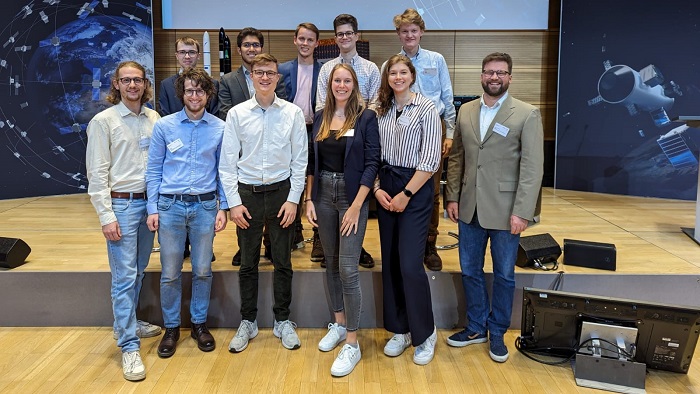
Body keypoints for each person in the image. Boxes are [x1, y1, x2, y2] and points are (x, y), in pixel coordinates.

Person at [445, 52, 544, 363]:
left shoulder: (526, 114)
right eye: (489, 72)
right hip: (469, 207)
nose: (494, 77)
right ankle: (476, 327)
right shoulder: (466, 111)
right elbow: (457, 157)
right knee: (470, 270)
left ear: (510, 77)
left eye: (501, 72)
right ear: (482, 75)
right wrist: (452, 196)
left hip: (506, 211)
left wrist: (523, 212)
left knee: (504, 275)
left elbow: (532, 167)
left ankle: (498, 329)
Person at [220, 54, 307, 353]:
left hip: (283, 192)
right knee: (248, 262)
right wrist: (233, 203)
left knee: (283, 261)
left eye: (270, 72)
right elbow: (227, 164)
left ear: (277, 77)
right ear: (251, 76)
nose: (265, 77)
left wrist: (294, 200)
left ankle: (283, 320)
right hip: (247, 196)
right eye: (259, 72)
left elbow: (300, 161)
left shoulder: (293, 114)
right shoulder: (237, 114)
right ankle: (248, 321)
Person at [85, 60, 162, 381]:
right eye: (126, 80)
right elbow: (97, 174)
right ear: (116, 84)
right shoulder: (103, 122)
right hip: (122, 207)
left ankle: (127, 320)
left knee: (139, 268)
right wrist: (106, 216)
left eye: (138, 80)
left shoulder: (154, 118)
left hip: (150, 206)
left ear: (146, 84)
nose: (133, 85)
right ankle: (128, 346)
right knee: (124, 275)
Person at [146, 68, 229, 358]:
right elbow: (154, 169)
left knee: (203, 269)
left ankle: (198, 324)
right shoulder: (164, 126)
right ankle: (171, 327)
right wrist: (152, 207)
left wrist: (224, 207)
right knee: (170, 272)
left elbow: (223, 171)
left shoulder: (220, 127)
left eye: (200, 91)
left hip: (205, 207)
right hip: (170, 206)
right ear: (182, 94)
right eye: (190, 91)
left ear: (208, 94)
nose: (195, 96)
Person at [305, 63, 380, 376]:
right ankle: (338, 323)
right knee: (331, 263)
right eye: (337, 80)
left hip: (352, 197)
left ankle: (352, 342)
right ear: (330, 83)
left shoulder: (366, 117)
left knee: (348, 268)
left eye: (347, 80)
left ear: (354, 85)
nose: (342, 85)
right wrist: (308, 199)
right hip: (323, 194)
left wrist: (356, 205)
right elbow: (312, 161)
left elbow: (372, 162)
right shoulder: (321, 116)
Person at [373, 55, 441, 366]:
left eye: (403, 72)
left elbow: (430, 161)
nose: (398, 77)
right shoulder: (380, 110)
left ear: (412, 76)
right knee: (390, 262)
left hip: (414, 187)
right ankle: (400, 329)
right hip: (385, 186)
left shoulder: (427, 108)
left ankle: (425, 332)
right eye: (393, 73)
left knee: (410, 264)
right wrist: (376, 189)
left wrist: (406, 194)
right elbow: (371, 154)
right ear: (387, 78)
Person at [387, 8, 457, 271]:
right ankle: (405, 242)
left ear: (422, 32)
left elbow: (447, 99)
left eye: (414, 31)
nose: (409, 35)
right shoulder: (391, 63)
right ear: (398, 34)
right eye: (404, 31)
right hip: (401, 126)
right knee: (402, 184)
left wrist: (449, 133)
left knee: (432, 189)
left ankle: (429, 244)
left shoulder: (436, 60)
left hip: (433, 126)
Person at [316, 13, 380, 268]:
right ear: (336, 38)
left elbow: (376, 103)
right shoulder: (326, 69)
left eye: (349, 33)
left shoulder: (370, 68)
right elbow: (321, 103)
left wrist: (356, 120)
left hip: (361, 132)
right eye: (340, 34)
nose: (345, 37)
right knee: (329, 190)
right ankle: (326, 242)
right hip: (331, 131)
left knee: (353, 189)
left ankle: (355, 247)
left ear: (356, 35)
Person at [218, 27, 287, 266]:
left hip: (273, 144)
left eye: (255, 45)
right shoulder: (227, 80)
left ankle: (271, 245)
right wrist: (247, 123)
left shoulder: (274, 76)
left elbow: (282, 103)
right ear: (238, 50)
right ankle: (246, 248)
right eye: (246, 45)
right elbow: (225, 111)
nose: (251, 49)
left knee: (273, 206)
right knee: (248, 211)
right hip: (241, 144)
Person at [158, 36, 219, 261]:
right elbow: (164, 113)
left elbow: (214, 114)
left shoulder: (211, 83)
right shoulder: (166, 84)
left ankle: (202, 247)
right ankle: (180, 246)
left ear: (198, 55)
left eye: (191, 52)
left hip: (203, 145)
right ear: (176, 56)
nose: (187, 56)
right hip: (176, 145)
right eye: (183, 52)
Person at [278, 22, 322, 262]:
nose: (305, 43)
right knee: (290, 176)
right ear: (295, 40)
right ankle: (293, 229)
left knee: (316, 177)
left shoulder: (324, 70)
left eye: (310, 39)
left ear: (316, 43)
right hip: (290, 132)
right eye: (301, 39)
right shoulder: (283, 69)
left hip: (316, 130)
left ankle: (318, 233)